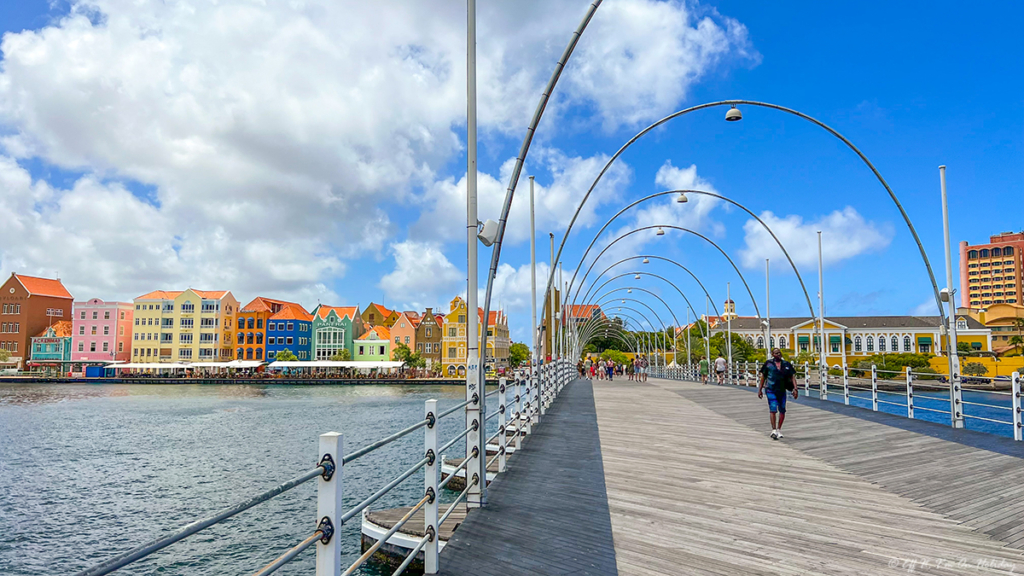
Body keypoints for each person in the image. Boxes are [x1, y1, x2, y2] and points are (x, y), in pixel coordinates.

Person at [758, 347, 798, 440]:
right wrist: (760, 389)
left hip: (782, 390)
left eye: (779, 353)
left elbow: (792, 377)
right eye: (776, 353)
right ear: (772, 355)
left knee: (782, 410)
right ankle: (773, 430)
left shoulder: (786, 364)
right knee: (773, 409)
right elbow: (763, 377)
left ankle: (779, 429)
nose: (778, 354)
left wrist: (795, 389)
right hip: (770, 389)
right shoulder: (768, 364)